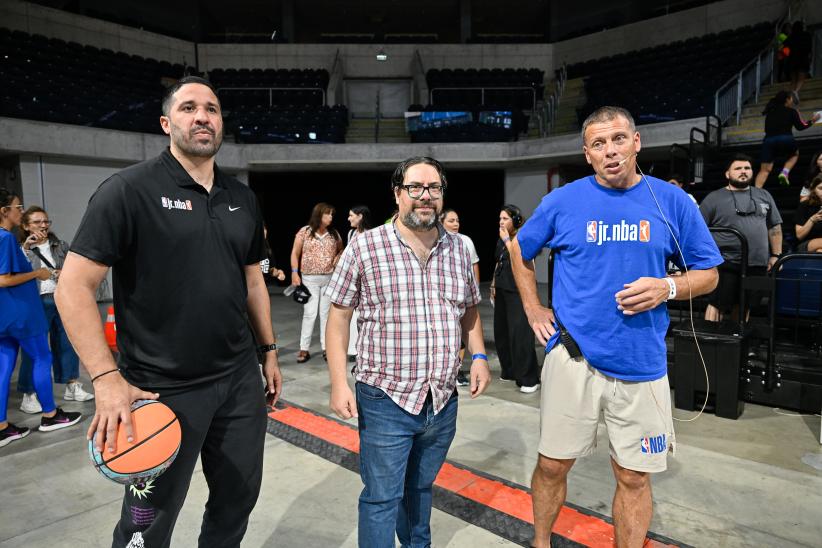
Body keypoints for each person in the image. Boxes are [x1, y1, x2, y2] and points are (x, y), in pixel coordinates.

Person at [55, 76, 282, 547]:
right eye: (189, 108)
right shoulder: (128, 190)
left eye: (212, 109)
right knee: (146, 523)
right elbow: (73, 287)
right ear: (166, 123)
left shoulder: (243, 198)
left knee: (236, 502)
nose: (202, 116)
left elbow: (253, 281)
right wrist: (104, 379)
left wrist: (269, 351)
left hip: (238, 384)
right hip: (160, 389)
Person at [509, 106, 721, 548]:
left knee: (633, 476)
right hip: (572, 357)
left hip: (641, 360)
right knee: (552, 465)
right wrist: (533, 308)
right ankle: (541, 542)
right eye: (599, 144)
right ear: (587, 154)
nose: (611, 151)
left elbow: (709, 273)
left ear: (636, 142)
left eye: (619, 139)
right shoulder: (564, 201)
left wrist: (667, 286)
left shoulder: (673, 201)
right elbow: (519, 249)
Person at [324, 156, 491, 548]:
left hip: (442, 399)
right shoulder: (365, 248)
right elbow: (338, 318)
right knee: (382, 497)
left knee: (420, 489)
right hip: (385, 398)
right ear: (398, 194)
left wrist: (479, 354)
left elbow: (468, 309)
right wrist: (337, 382)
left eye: (433, 188)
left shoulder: (459, 250)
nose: (425, 197)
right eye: (415, 188)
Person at [1, 189, 83, 448]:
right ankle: (50, 415)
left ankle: (2, 427)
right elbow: (3, 279)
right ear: (4, 211)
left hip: (5, 313)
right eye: (17, 207)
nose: (20, 211)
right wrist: (38, 275)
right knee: (41, 357)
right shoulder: (4, 238)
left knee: (4, 366)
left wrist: (25, 249)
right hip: (21, 311)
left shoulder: (9, 240)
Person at [16, 206, 94, 413]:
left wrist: (64, 272)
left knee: (67, 343)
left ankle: (71, 384)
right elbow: (15, 274)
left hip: (61, 298)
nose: (43, 225)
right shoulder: (19, 249)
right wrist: (25, 248)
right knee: (34, 349)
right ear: (25, 226)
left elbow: (75, 268)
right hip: (35, 302)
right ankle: (28, 394)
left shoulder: (60, 246)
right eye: (36, 222)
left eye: (46, 221)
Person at [701, 154, 783, 322]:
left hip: (756, 262)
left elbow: (775, 228)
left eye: (747, 168)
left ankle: (735, 342)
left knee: (745, 305)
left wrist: (776, 255)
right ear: (727, 174)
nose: (743, 171)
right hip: (725, 262)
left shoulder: (764, 195)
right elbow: (698, 229)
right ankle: (711, 342)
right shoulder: (714, 198)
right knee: (717, 303)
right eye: (738, 168)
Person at [493, 204, 541, 393]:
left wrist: (507, 240)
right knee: (502, 333)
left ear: (516, 220)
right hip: (502, 288)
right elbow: (499, 261)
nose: (501, 223)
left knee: (520, 334)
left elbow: (523, 258)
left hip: (518, 291)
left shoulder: (522, 238)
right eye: (500, 219)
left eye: (505, 219)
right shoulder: (502, 240)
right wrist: (493, 284)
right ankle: (510, 370)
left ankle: (529, 378)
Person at [290, 202, 343, 363]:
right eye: (328, 214)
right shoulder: (304, 232)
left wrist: (337, 257)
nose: (331, 217)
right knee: (310, 314)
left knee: (326, 315)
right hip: (309, 279)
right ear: (319, 215)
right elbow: (294, 253)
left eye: (332, 214)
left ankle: (326, 348)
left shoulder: (334, 234)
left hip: (328, 278)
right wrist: (294, 273)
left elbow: (341, 250)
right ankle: (304, 349)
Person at [440, 207, 480, 386]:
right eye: (451, 221)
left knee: (460, 335)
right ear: (441, 222)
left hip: (461, 294)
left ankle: (457, 369)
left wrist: (475, 289)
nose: (455, 224)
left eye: (457, 220)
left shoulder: (465, 242)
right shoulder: (436, 242)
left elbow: (474, 265)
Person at [754, 90, 820, 188]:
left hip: (768, 141)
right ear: (787, 99)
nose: (792, 101)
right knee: (794, 154)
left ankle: (756, 192)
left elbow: (767, 129)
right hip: (786, 139)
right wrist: (812, 120)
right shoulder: (792, 111)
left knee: (764, 170)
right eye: (791, 99)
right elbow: (801, 126)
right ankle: (784, 173)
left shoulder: (770, 113)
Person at [346, 205, 373, 362]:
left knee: (364, 314)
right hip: (353, 279)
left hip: (366, 280)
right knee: (351, 312)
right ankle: (353, 349)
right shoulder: (351, 233)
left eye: (351, 215)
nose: (349, 218)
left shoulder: (371, 235)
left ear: (360, 216)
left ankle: (364, 348)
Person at [795, 175, 822, 253]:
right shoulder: (805, 205)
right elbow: (799, 236)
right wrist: (812, 219)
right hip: (807, 244)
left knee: (819, 251)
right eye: (820, 188)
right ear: (813, 189)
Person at [783, 20, 812, 92]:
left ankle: (791, 97)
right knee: (801, 79)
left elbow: (785, 50)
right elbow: (809, 48)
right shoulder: (807, 35)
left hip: (791, 61)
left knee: (793, 80)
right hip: (803, 59)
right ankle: (795, 92)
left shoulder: (790, 37)